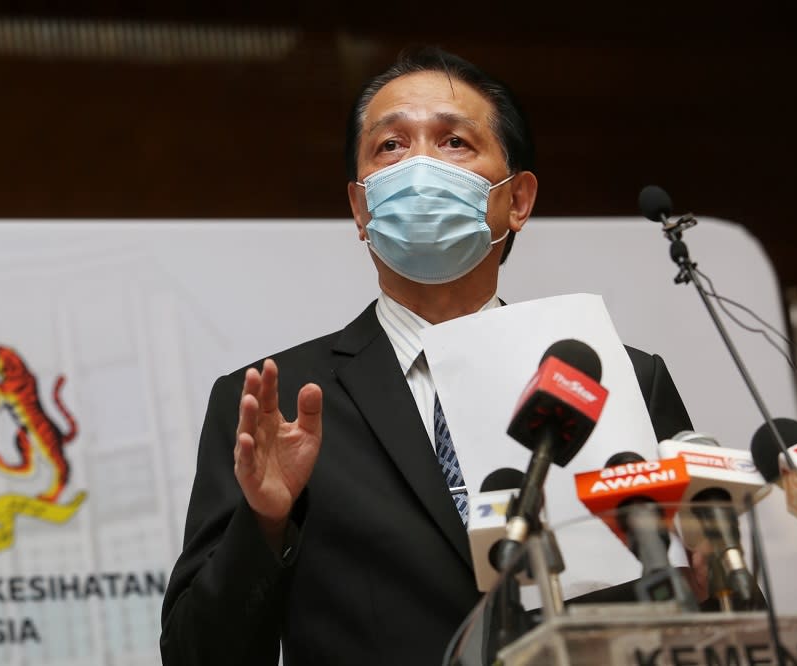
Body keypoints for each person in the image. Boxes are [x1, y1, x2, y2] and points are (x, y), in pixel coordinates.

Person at [160, 46, 693, 665]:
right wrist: (266, 525)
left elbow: (708, 619)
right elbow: (197, 656)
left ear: (517, 200)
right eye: (390, 146)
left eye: (453, 142)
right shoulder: (273, 405)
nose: (418, 166)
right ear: (361, 209)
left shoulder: (619, 378)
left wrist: (712, 566)